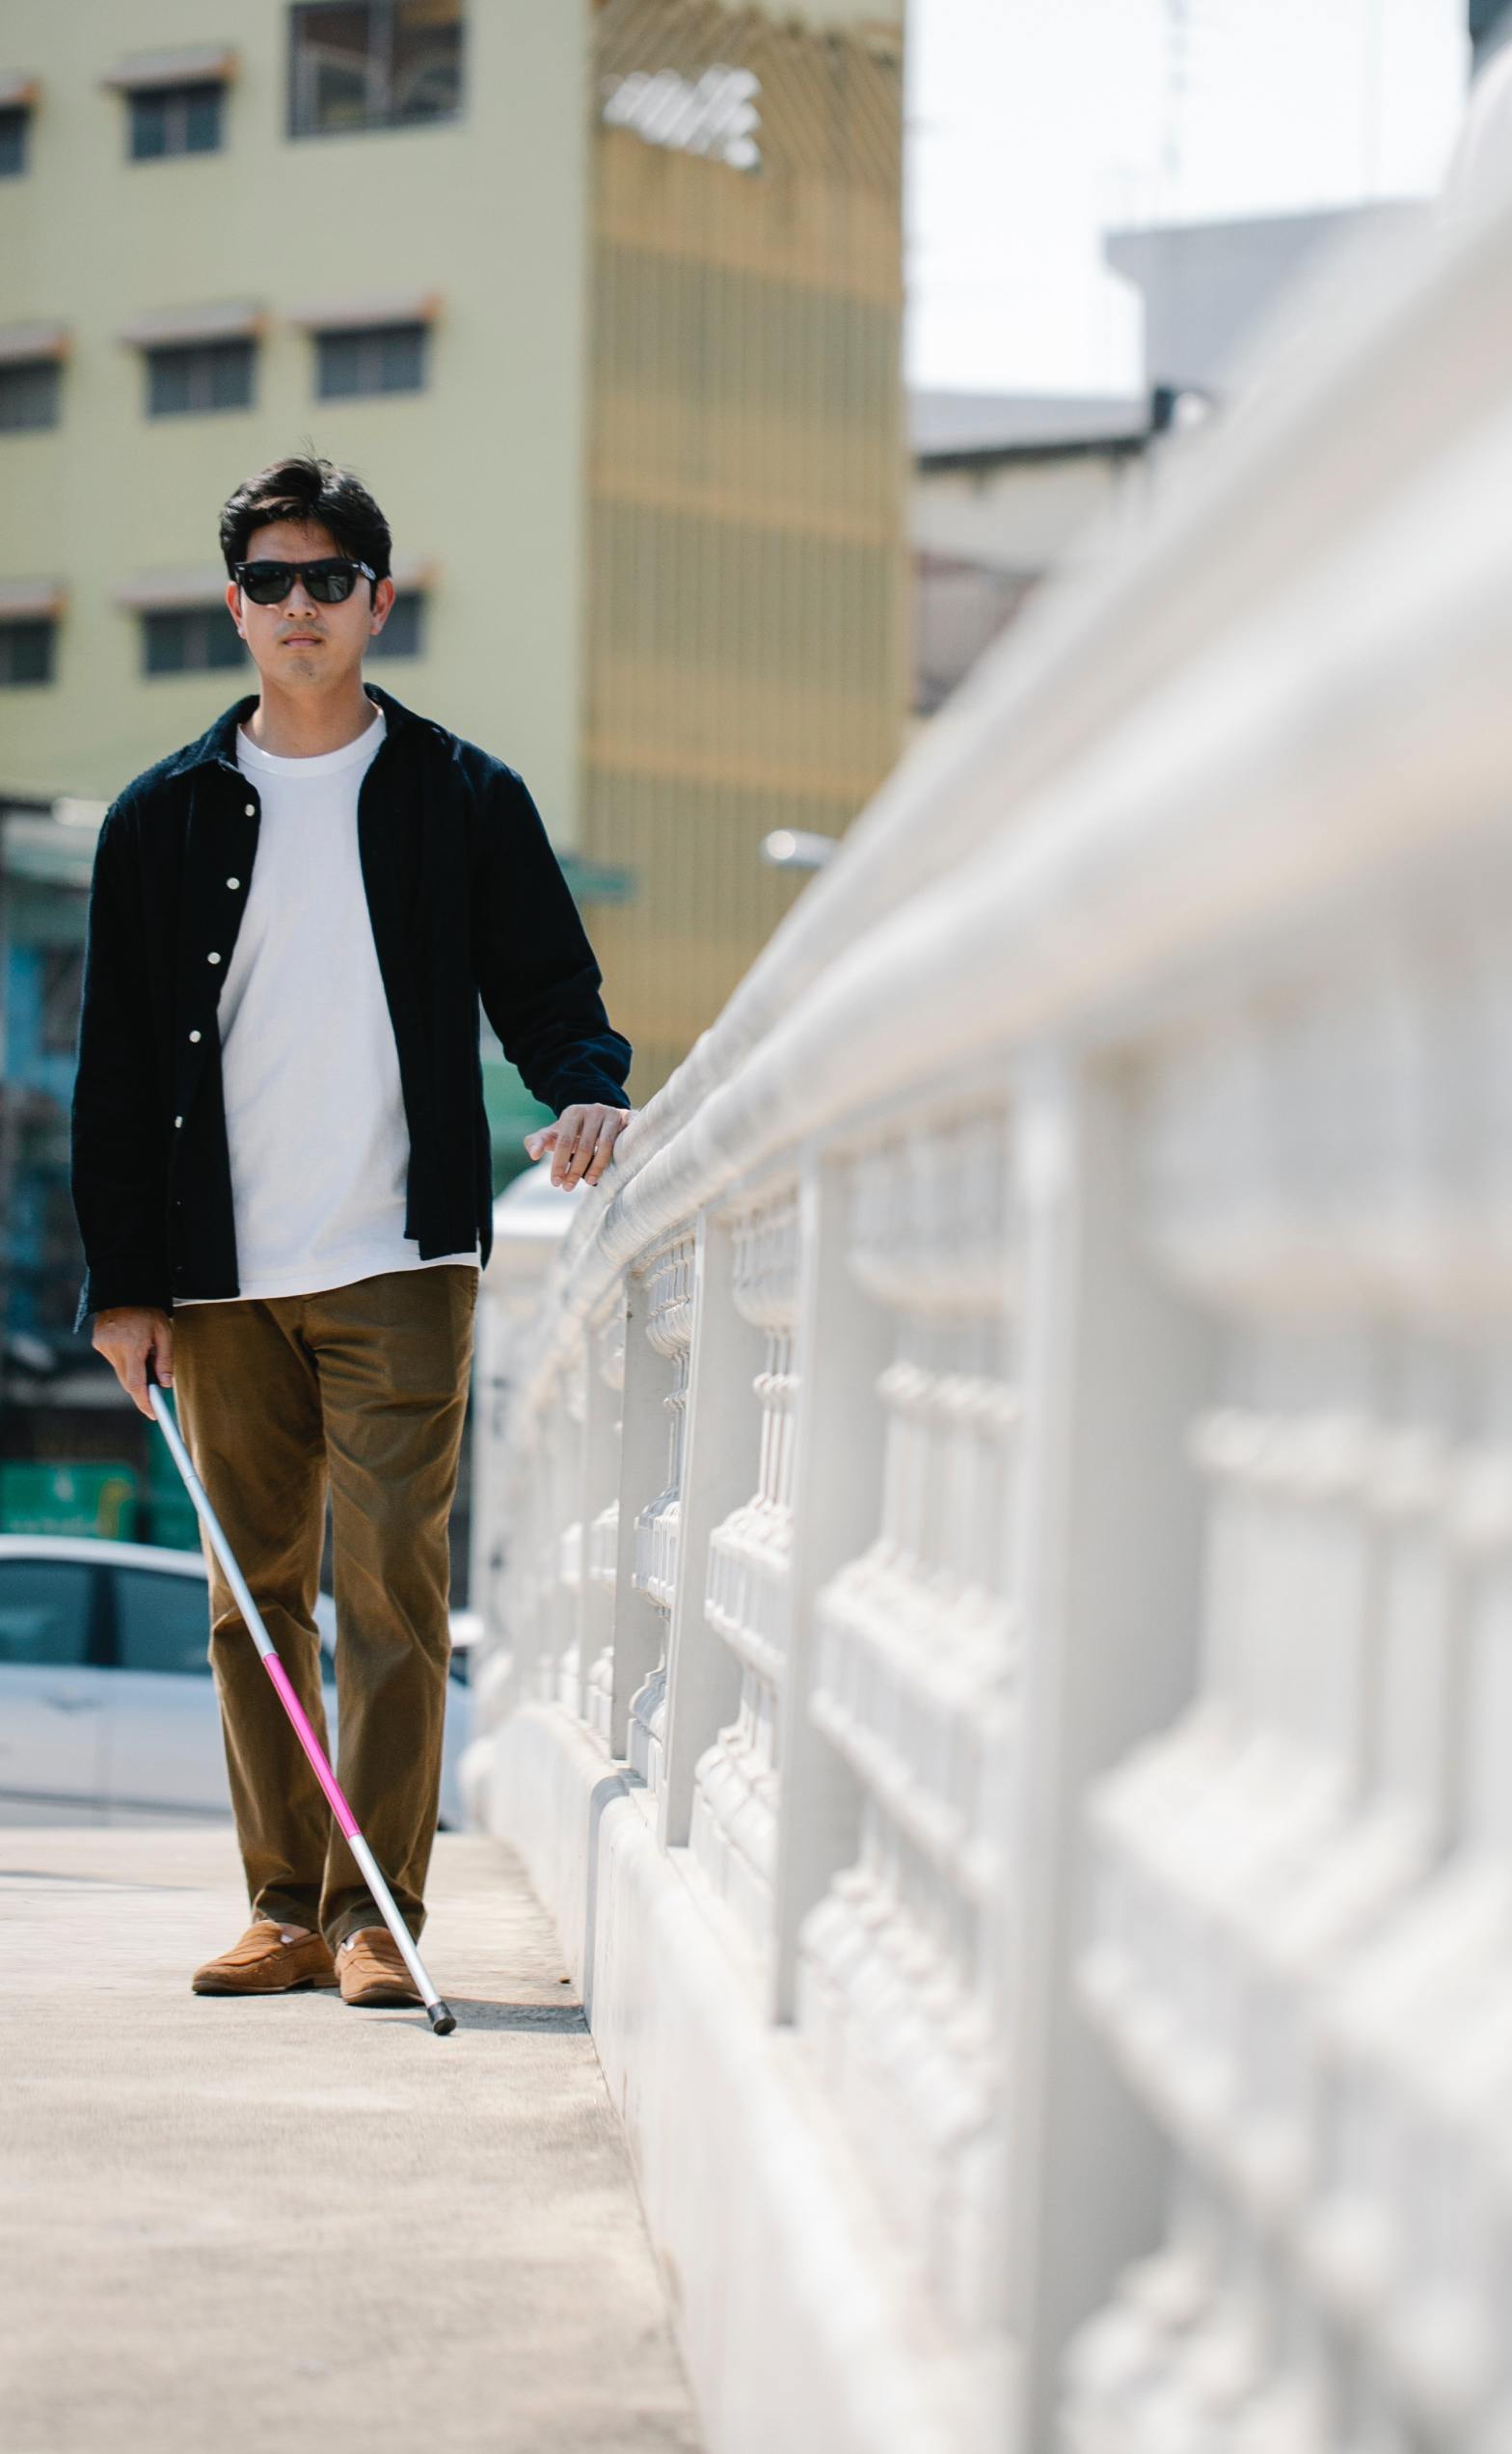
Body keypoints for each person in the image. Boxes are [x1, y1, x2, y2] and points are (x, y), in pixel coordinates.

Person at [70, 454, 634, 2009]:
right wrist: (124, 1288)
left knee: (390, 1592)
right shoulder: (159, 819)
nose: (300, 606)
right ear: (235, 607)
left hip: (401, 1256)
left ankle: (380, 1911)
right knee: (249, 1606)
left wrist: (588, 1090)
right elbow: (118, 1070)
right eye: (272, 582)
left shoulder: (466, 796)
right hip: (219, 1277)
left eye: (330, 579)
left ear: (378, 602)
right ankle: (284, 1907)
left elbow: (549, 990)